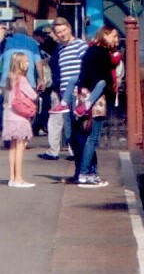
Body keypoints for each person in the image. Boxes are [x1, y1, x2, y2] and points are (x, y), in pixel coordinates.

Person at [71, 25, 119, 187]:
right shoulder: (103, 54)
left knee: (86, 136)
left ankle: (89, 171)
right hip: (96, 98)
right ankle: (85, 173)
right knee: (92, 138)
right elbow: (103, 80)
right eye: (114, 36)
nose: (116, 40)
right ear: (105, 35)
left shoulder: (90, 51)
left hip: (84, 95)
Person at [41, 17, 87, 162]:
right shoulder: (60, 49)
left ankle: (84, 166)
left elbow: (86, 68)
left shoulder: (80, 45)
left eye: (64, 30)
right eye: (59, 32)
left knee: (80, 129)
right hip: (64, 94)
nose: (62, 34)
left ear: (69, 29)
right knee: (70, 131)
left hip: (77, 93)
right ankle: (78, 166)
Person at [3, 51, 37, 188]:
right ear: (20, 64)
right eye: (26, 61)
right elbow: (33, 95)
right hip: (20, 117)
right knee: (20, 148)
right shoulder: (22, 80)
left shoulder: (10, 79)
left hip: (10, 116)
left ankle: (11, 178)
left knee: (12, 148)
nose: (28, 64)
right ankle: (19, 178)